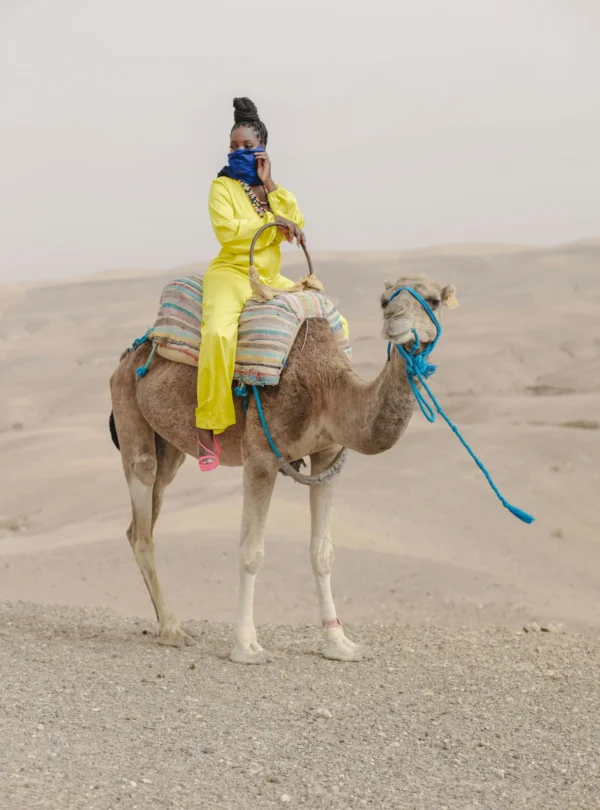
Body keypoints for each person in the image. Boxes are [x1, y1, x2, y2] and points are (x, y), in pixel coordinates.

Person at [196, 97, 346, 471]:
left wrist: (270, 186)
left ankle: (319, 415)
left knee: (336, 323)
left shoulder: (273, 192)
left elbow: (296, 220)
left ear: (263, 152)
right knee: (217, 333)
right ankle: (207, 425)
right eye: (233, 147)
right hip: (232, 273)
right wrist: (272, 225)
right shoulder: (221, 188)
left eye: (247, 147)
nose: (238, 152)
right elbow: (229, 233)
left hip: (270, 278)